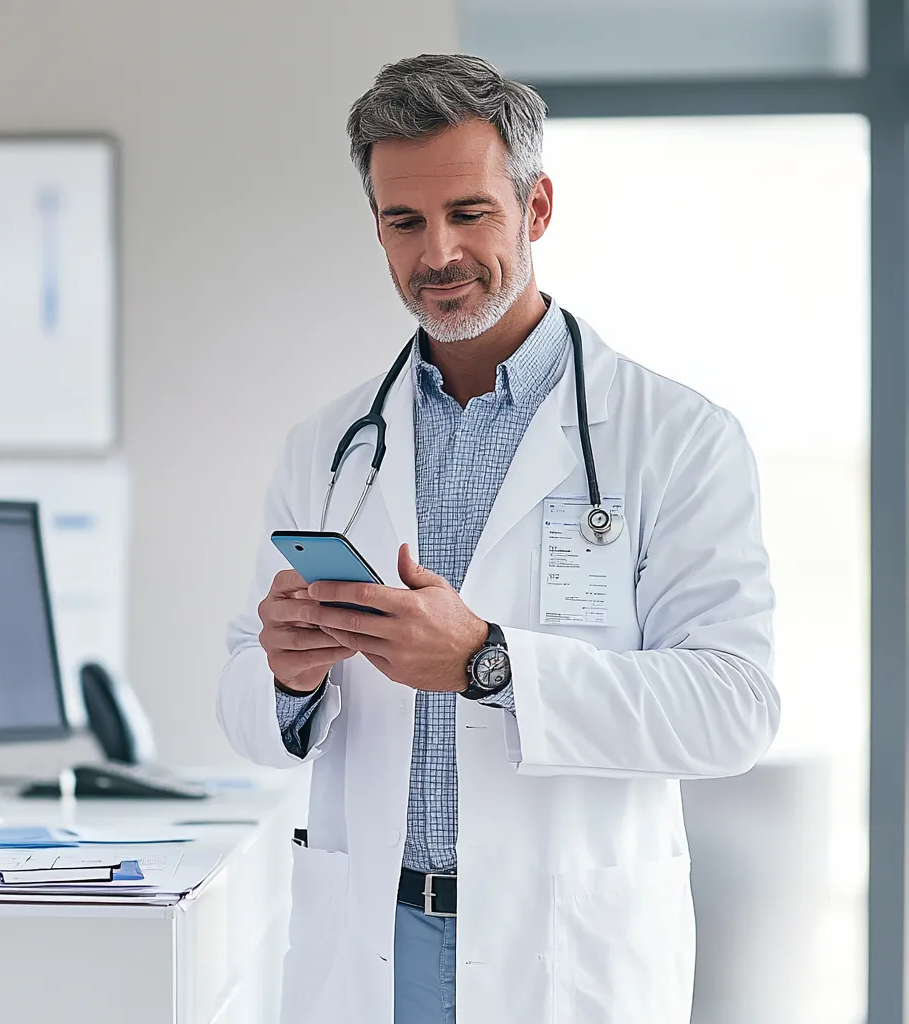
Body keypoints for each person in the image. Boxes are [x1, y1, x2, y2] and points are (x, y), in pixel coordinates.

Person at [218, 53, 779, 1024]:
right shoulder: (327, 449)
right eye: (404, 221)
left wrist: (489, 662)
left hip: (558, 954)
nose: (436, 251)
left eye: (468, 212)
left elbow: (734, 709)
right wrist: (286, 676)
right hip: (372, 944)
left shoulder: (678, 438)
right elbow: (242, 711)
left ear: (537, 207)